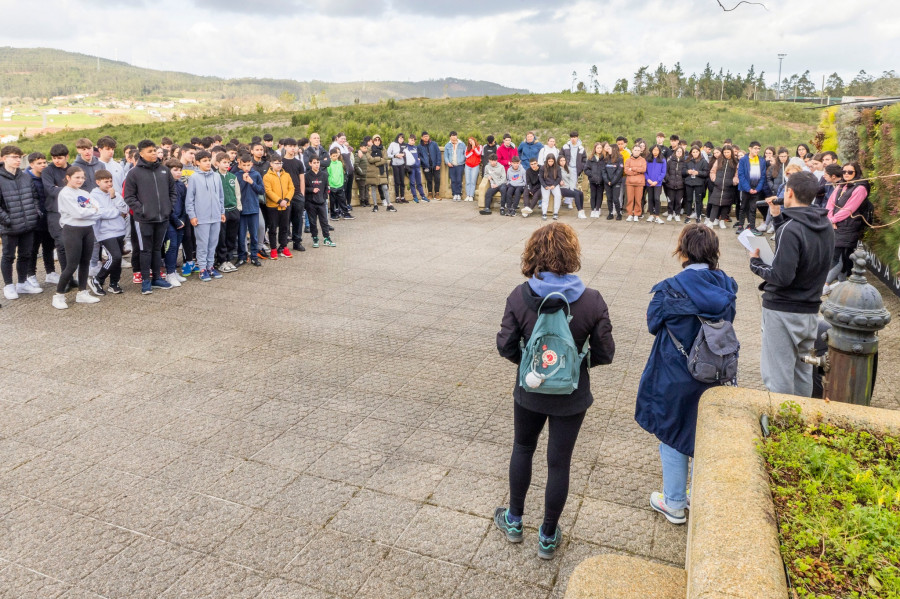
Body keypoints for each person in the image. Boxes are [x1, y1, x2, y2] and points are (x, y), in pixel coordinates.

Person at [494, 222, 615, 560]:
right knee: (559, 464)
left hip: (530, 390)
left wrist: (531, 367)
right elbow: (606, 352)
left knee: (522, 448)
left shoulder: (520, 295)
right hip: (572, 395)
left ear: (534, 254)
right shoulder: (592, 300)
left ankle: (514, 521)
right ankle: (547, 536)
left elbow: (505, 345)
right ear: (572, 255)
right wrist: (574, 365)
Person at [635, 224, 738, 524]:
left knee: (670, 431)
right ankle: (700, 496)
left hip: (674, 370)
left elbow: (653, 324)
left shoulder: (669, 287)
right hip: (715, 368)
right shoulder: (727, 286)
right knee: (703, 434)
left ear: (683, 250)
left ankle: (675, 503)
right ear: (713, 251)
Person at [749, 171, 833, 397]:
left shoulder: (791, 229)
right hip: (809, 311)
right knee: (803, 372)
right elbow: (797, 244)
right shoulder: (825, 224)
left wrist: (755, 263)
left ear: (789, 192)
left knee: (779, 376)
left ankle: (781, 424)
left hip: (782, 310)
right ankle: (801, 424)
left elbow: (782, 275)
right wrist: (777, 218)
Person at [52, 166, 101, 309]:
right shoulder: (65, 193)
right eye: (77, 177)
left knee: (85, 262)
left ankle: (82, 292)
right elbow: (78, 213)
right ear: (68, 177)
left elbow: (98, 209)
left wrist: (91, 211)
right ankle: (59, 295)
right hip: (72, 230)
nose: (80, 180)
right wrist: (92, 210)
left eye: (82, 177)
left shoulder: (84, 192)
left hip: (88, 229)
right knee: (72, 264)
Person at [0, 146, 41, 300]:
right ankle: (9, 285)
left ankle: (22, 283)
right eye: (14, 157)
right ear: (4, 158)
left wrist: (35, 212)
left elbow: (34, 196)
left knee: (26, 254)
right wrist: (8, 220)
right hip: (9, 226)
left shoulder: (25, 176)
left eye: (20, 157)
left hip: (28, 223)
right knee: (8, 256)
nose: (18, 160)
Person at [824, 162, 870, 288]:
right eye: (844, 172)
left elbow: (850, 208)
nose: (846, 174)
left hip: (849, 226)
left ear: (856, 173)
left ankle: (826, 284)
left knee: (839, 257)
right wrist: (830, 219)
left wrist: (833, 220)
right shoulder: (841, 185)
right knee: (835, 255)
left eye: (850, 172)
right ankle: (841, 283)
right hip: (835, 225)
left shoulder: (860, 188)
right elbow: (830, 203)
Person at [185, 149, 225, 282]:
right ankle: (202, 268)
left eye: (209, 160)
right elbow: (189, 199)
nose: (208, 163)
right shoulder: (194, 178)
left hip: (215, 217)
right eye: (204, 161)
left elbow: (220, 196)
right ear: (197, 163)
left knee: (213, 243)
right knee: (203, 244)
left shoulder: (216, 176)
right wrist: (192, 215)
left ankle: (210, 266)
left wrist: (222, 212)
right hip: (201, 218)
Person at [88, 169, 129, 296]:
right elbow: (100, 213)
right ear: (98, 182)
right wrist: (117, 212)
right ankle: (97, 280)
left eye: (110, 181)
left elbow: (125, 209)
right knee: (114, 257)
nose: (109, 184)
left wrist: (114, 198)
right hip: (105, 232)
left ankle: (114, 283)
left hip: (119, 230)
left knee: (117, 259)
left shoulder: (115, 194)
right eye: (106, 182)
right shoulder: (93, 196)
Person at [41, 144, 70, 286]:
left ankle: (70, 276)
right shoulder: (48, 171)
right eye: (54, 158)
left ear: (67, 157)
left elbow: (81, 187)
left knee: (72, 246)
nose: (56, 161)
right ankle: (65, 280)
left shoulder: (73, 169)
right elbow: (51, 190)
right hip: (55, 213)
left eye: (60, 158)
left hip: (72, 213)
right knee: (62, 245)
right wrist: (70, 189)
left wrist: (61, 188)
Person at [25, 152, 55, 288]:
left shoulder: (47, 177)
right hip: (34, 219)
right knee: (33, 249)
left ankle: (51, 272)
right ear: (31, 164)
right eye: (39, 163)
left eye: (44, 162)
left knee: (48, 247)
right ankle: (30, 275)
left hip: (48, 217)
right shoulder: (26, 179)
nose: (43, 165)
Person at [263, 154, 295, 260]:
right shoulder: (267, 176)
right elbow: (268, 191)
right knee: (272, 228)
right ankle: (273, 248)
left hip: (286, 205)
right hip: (273, 206)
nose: (279, 165)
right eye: (276, 163)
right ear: (271, 164)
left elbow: (291, 188)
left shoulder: (286, 175)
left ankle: (284, 247)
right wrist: (279, 200)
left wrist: (286, 200)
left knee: (285, 227)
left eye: (280, 163)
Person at [235, 154, 264, 267]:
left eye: (248, 165)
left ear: (251, 164)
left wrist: (251, 182)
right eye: (244, 165)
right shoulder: (236, 175)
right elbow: (236, 192)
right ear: (240, 165)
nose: (246, 167)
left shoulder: (256, 175)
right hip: (241, 210)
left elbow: (261, 190)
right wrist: (243, 181)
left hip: (253, 209)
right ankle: (242, 257)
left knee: (254, 234)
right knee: (241, 235)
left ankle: (254, 256)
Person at [163, 159, 189, 284]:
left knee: (177, 243)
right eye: (175, 170)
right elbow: (166, 205)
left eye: (180, 170)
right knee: (172, 246)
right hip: (170, 221)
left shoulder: (181, 185)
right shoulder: (165, 186)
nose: (179, 173)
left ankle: (173, 271)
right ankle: (169, 273)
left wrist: (183, 219)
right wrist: (176, 221)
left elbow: (185, 203)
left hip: (180, 220)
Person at [215, 153, 242, 271]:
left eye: (228, 162)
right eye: (224, 162)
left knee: (231, 236)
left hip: (233, 210)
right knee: (222, 237)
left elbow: (237, 193)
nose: (227, 165)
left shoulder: (232, 176)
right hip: (221, 212)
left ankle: (228, 259)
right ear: (217, 163)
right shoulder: (214, 176)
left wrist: (238, 208)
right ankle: (221, 260)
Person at [281, 139, 306, 252]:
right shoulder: (281, 162)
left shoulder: (298, 163)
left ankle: (297, 241)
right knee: (285, 220)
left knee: (298, 220)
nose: (293, 148)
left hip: (297, 195)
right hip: (285, 195)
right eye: (290, 146)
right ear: (285, 147)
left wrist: (302, 194)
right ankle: (283, 243)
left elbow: (302, 179)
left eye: (294, 146)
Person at [735, 141, 766, 235]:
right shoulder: (744, 160)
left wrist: (757, 188)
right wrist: (748, 189)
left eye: (758, 148)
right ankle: (740, 225)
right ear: (750, 148)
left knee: (753, 208)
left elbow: (763, 176)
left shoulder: (761, 160)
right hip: (745, 188)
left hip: (756, 188)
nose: (757, 150)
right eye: (755, 148)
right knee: (743, 207)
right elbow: (741, 175)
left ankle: (752, 226)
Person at [304, 157, 335, 247]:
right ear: (310, 164)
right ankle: (315, 238)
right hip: (310, 202)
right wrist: (311, 190)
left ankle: (327, 238)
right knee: (312, 222)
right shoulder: (307, 176)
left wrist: (324, 197)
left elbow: (327, 187)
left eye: (318, 162)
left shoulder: (324, 175)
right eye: (314, 163)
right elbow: (304, 189)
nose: (317, 164)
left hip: (321, 202)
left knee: (324, 221)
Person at [706, 145, 739, 230]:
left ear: (731, 152)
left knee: (726, 205)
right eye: (724, 152)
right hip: (718, 186)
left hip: (729, 187)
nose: (726, 154)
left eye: (728, 152)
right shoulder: (719, 160)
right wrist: (714, 179)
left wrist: (733, 181)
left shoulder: (735, 162)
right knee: (715, 205)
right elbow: (713, 171)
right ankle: (711, 222)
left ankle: (722, 221)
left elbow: (737, 174)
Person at [368, 136, 396, 212]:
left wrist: (376, 162)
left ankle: (389, 204)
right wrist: (379, 159)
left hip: (381, 171)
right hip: (373, 172)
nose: (377, 141)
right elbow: (369, 159)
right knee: (373, 188)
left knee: (385, 188)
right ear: (373, 141)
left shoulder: (383, 148)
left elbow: (385, 159)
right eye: (375, 140)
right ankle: (375, 205)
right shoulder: (369, 149)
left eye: (378, 140)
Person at [682, 146, 709, 224]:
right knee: (689, 199)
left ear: (699, 152)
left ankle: (698, 215)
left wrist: (698, 173)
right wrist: (688, 171)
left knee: (698, 200)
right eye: (693, 152)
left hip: (699, 182)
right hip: (689, 182)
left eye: (696, 152)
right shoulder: (687, 160)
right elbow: (683, 171)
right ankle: (688, 215)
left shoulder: (703, 161)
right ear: (691, 153)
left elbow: (706, 173)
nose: (695, 154)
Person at [326, 147, 352, 220]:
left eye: (336, 156)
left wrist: (342, 182)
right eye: (333, 156)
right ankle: (333, 215)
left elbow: (341, 174)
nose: (335, 157)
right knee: (332, 202)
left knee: (343, 200)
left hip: (340, 185)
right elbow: (328, 174)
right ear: (330, 156)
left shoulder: (340, 163)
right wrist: (329, 184)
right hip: (332, 185)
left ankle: (346, 213)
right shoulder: (329, 164)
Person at [644, 145, 666, 223]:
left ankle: (657, 216)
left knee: (656, 199)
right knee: (650, 198)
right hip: (649, 182)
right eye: (654, 150)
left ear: (659, 151)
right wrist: (648, 180)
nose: (655, 151)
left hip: (658, 183)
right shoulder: (648, 159)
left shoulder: (662, 160)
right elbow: (645, 171)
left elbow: (663, 172)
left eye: (657, 150)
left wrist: (657, 181)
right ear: (651, 150)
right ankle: (651, 215)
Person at [623, 145, 647, 221]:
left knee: (638, 199)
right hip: (630, 182)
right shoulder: (628, 160)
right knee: (630, 199)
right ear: (632, 150)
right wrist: (637, 172)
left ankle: (637, 214)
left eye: (638, 150)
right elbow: (626, 170)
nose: (636, 152)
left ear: (640, 151)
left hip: (639, 182)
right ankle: (630, 214)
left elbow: (643, 169)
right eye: (635, 150)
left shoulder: (643, 160)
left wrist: (632, 169)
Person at [558, 154, 586, 218]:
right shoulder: (557, 169)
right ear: (558, 162)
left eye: (564, 160)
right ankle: (579, 212)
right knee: (576, 194)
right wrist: (559, 181)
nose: (563, 162)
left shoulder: (567, 168)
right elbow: (555, 178)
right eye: (561, 160)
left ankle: (581, 210)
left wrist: (571, 187)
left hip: (568, 187)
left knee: (580, 193)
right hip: (562, 188)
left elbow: (571, 180)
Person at [602, 142, 624, 220]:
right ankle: (610, 213)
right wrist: (607, 181)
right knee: (609, 198)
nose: (608, 150)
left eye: (609, 148)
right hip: (607, 182)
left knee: (615, 199)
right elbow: (603, 171)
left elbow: (619, 172)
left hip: (616, 182)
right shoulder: (606, 159)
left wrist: (613, 181)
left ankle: (619, 213)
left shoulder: (620, 159)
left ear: (614, 149)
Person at [664, 146, 686, 222]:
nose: (679, 153)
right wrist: (668, 179)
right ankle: (670, 214)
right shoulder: (670, 161)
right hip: (670, 184)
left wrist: (683, 181)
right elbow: (666, 171)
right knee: (670, 200)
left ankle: (677, 214)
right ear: (675, 152)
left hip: (681, 185)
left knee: (678, 200)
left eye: (680, 151)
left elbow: (686, 173)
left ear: (682, 153)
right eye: (678, 151)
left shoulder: (685, 162)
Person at [418, 131, 442, 200]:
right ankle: (430, 193)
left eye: (427, 136)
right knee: (429, 180)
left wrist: (438, 164)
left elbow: (438, 154)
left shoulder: (434, 144)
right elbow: (419, 156)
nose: (426, 138)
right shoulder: (419, 146)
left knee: (437, 179)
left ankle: (437, 193)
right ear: (422, 137)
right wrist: (424, 162)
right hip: (426, 166)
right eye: (425, 136)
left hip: (435, 165)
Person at [585, 142, 606, 219]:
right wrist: (591, 175)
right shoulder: (591, 158)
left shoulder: (604, 158)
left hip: (601, 180)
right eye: (598, 148)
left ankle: (597, 210)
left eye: (600, 148)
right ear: (595, 149)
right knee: (593, 196)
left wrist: (603, 177)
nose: (599, 149)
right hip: (593, 181)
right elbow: (586, 169)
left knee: (600, 196)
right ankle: (592, 210)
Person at [538, 154, 562, 221]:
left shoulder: (557, 167)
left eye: (552, 161)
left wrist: (554, 185)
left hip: (554, 185)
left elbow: (559, 177)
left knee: (558, 196)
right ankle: (544, 213)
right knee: (545, 198)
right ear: (547, 161)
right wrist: (545, 186)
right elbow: (541, 178)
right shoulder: (543, 167)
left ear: (554, 161)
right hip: (545, 185)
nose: (550, 163)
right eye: (549, 161)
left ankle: (556, 212)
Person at [444, 131, 466, 201]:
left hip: (460, 164)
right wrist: (448, 162)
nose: (453, 137)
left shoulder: (462, 144)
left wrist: (463, 160)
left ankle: (459, 194)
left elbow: (465, 154)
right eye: (452, 136)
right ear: (450, 137)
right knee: (453, 180)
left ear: (457, 136)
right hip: (451, 165)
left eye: (455, 136)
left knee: (459, 180)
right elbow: (445, 155)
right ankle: (454, 194)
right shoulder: (447, 145)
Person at [405, 134, 426, 203]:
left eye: (414, 140)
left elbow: (418, 155)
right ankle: (415, 197)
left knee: (419, 182)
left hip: (417, 167)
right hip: (411, 167)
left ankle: (423, 196)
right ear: (408, 139)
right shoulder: (406, 147)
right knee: (412, 183)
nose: (413, 141)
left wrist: (418, 161)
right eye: (411, 140)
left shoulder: (415, 147)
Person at [387, 134, 408, 203]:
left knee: (402, 181)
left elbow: (407, 153)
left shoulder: (404, 145)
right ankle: (397, 197)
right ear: (397, 138)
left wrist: (403, 155)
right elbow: (388, 154)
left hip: (402, 164)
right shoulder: (393, 144)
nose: (401, 139)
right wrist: (395, 155)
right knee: (397, 181)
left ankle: (402, 197)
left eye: (402, 138)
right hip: (395, 164)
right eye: (400, 138)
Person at [464, 136, 482, 202]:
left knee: (473, 181)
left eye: (472, 140)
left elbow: (478, 154)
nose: (471, 142)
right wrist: (471, 150)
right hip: (468, 165)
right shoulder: (467, 148)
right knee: (468, 181)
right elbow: (466, 156)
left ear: (474, 140)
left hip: (475, 166)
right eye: (469, 141)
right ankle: (467, 195)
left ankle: (471, 195)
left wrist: (474, 148)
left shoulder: (479, 147)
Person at [355, 138, 371, 208]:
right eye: (364, 147)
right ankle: (362, 201)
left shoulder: (366, 154)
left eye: (366, 147)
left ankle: (366, 200)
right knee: (362, 188)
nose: (365, 149)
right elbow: (356, 164)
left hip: (366, 175)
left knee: (366, 188)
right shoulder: (359, 154)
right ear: (360, 147)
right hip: (360, 175)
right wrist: (361, 172)